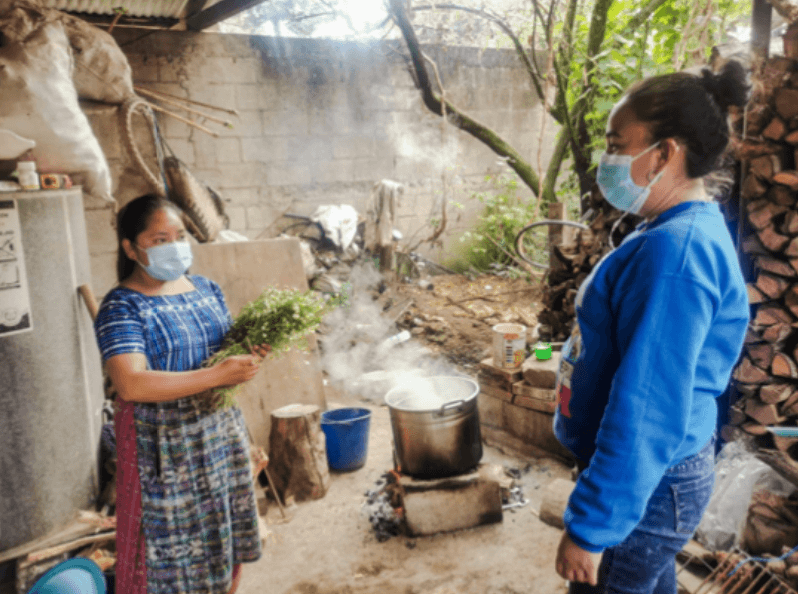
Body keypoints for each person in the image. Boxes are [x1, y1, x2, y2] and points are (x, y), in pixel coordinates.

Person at [552, 61, 751, 594]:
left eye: (619, 145)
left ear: (664, 154)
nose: (608, 160)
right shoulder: (676, 231)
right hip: (658, 476)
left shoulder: (674, 253)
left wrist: (592, 527)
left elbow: (647, 407)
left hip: (653, 482)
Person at [94, 194, 269, 594]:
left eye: (180, 235)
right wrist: (215, 375)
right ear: (130, 248)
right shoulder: (122, 306)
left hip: (220, 439)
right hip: (164, 452)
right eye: (159, 239)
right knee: (169, 558)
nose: (174, 245)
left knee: (223, 544)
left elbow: (225, 363)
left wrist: (246, 360)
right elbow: (131, 383)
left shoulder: (206, 289)